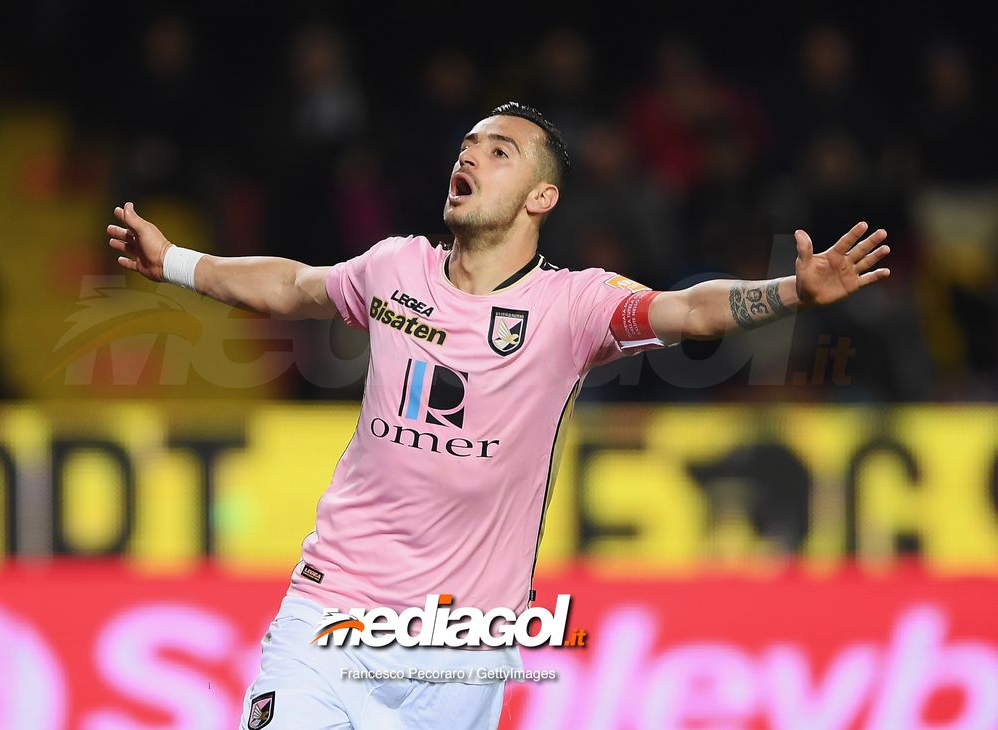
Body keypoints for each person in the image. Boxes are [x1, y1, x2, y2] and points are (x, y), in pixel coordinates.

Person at [105, 101, 891, 729]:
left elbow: (687, 310)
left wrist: (790, 294)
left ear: (541, 197)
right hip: (331, 614)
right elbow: (294, 286)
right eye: (468, 146)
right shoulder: (394, 268)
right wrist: (172, 261)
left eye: (499, 151)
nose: (470, 157)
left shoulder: (573, 306)